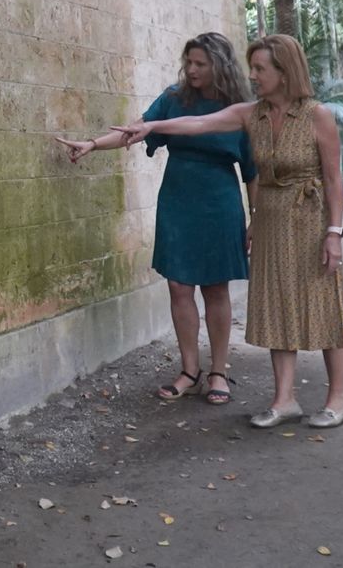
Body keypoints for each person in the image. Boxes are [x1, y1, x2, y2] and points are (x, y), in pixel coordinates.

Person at [114, 34, 343, 429]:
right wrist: (151, 124)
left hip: (310, 220)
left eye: (260, 69)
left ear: (284, 71)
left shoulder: (317, 115)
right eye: (253, 68)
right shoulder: (251, 114)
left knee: (322, 303)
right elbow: (198, 123)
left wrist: (334, 233)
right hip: (272, 220)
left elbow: (333, 179)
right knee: (278, 306)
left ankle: (338, 398)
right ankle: (284, 399)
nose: (253, 75)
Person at [55, 32, 256, 405]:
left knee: (215, 287)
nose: (192, 69)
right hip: (178, 199)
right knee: (179, 286)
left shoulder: (239, 109)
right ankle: (189, 369)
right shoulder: (174, 98)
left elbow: (253, 172)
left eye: (200, 63)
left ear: (219, 66)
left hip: (220, 201)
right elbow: (135, 130)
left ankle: (219, 372)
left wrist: (255, 219)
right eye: (189, 62)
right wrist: (93, 144)